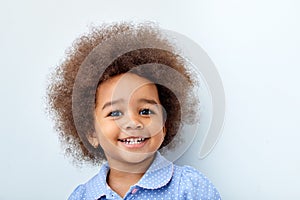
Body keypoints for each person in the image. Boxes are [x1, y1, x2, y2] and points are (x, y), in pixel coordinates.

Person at [47, 22, 221, 199]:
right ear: (92, 134)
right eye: (115, 113)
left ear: (164, 125)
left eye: (145, 111)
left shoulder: (189, 187)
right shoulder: (83, 196)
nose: (133, 122)